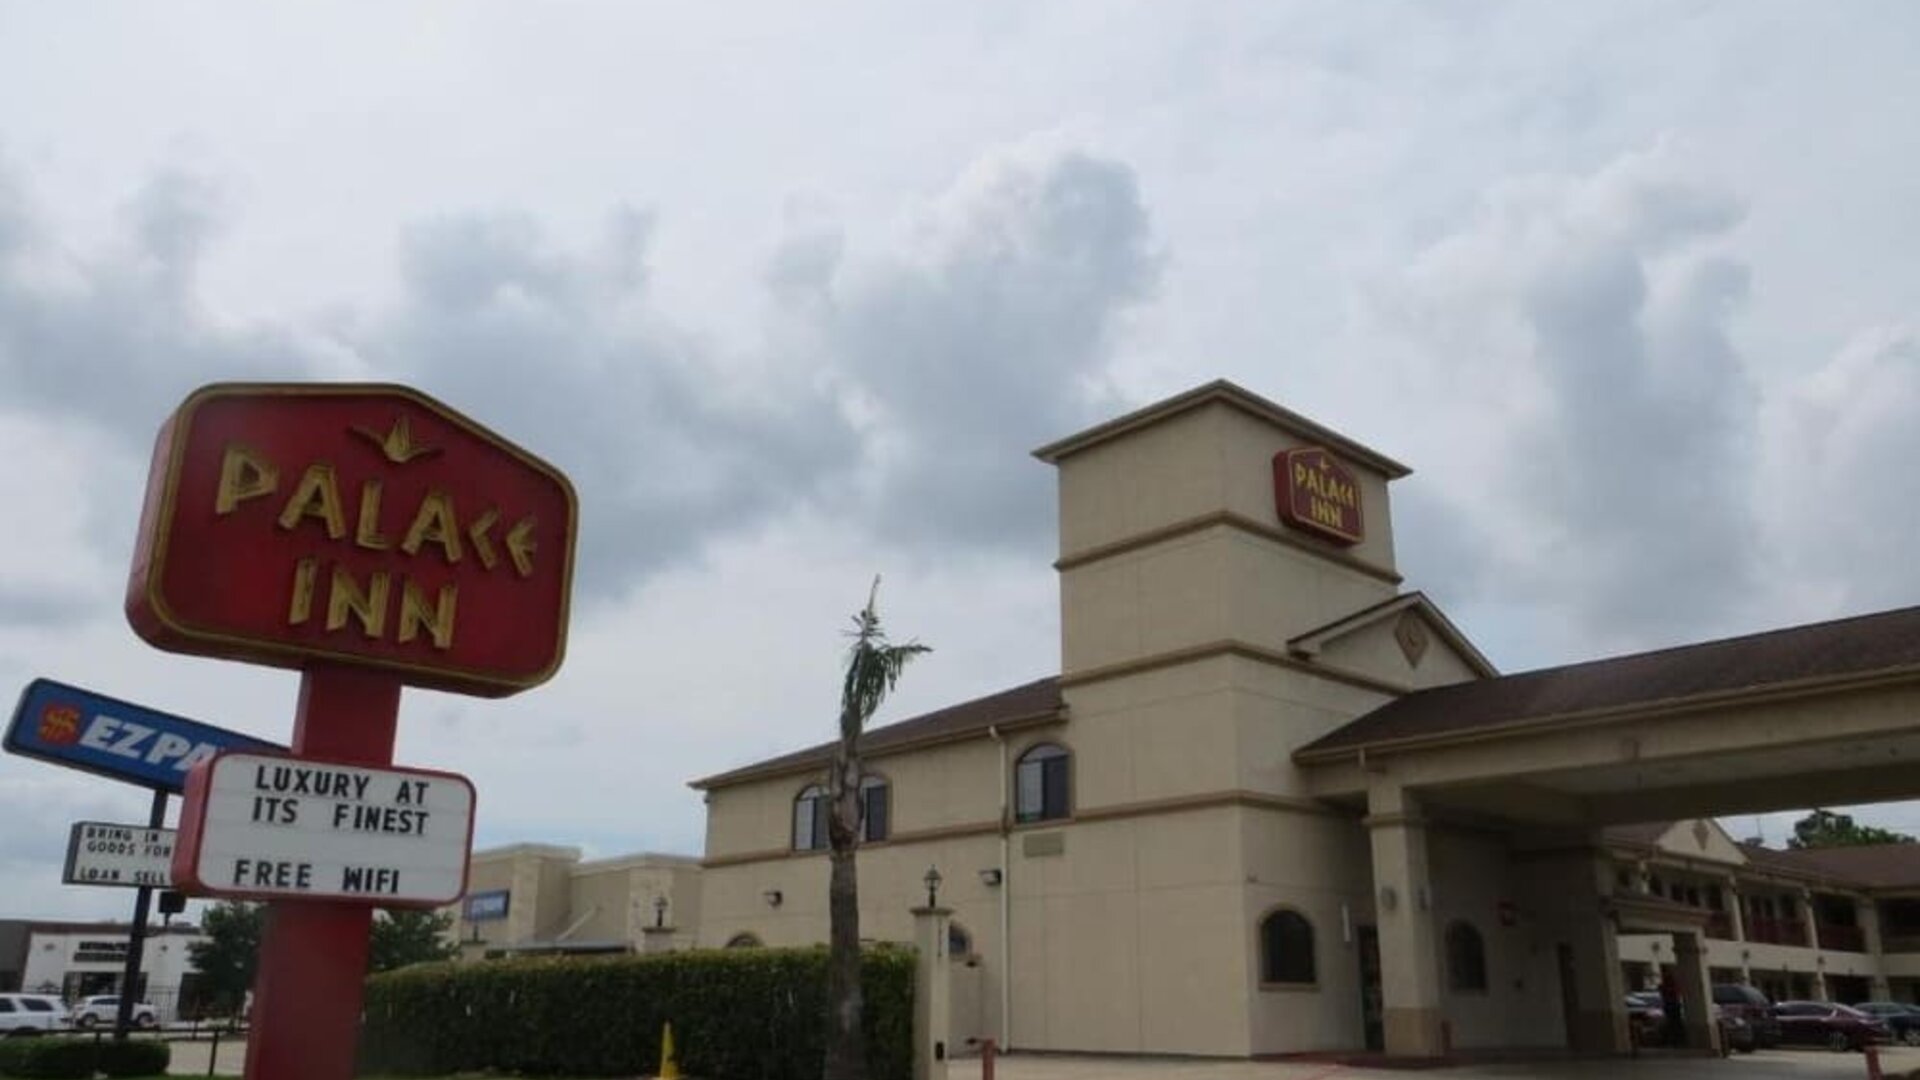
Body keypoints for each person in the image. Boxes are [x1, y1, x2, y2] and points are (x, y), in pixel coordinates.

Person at [1659, 972, 1684, 1047]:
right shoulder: (1665, 988)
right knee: (1673, 1024)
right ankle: (1675, 1041)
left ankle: (1676, 1041)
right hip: (1671, 1007)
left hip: (1673, 1007)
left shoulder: (1671, 987)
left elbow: (1676, 994)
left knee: (1675, 1024)